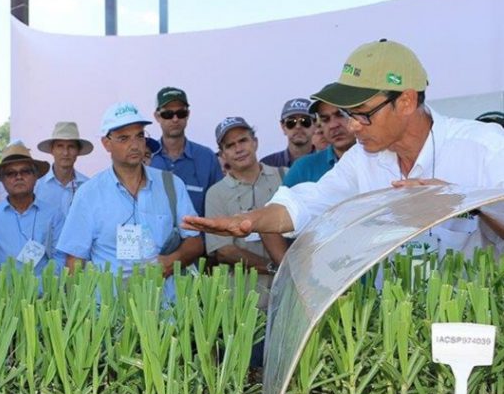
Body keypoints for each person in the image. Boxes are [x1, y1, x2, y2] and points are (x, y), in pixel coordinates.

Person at [185, 39, 504, 257]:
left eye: (363, 113)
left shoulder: (485, 149)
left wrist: (466, 202)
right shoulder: (363, 160)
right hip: (397, 327)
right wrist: (250, 221)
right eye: (349, 115)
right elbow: (310, 202)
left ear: (405, 100)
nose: (353, 126)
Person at [57, 102, 203, 302]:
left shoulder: (171, 185)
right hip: (110, 313)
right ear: (106, 143)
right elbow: (74, 261)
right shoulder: (89, 194)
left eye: (140, 136)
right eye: (124, 138)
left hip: (164, 309)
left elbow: (195, 242)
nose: (134, 145)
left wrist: (170, 262)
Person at [204, 117, 285, 309]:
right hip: (241, 304)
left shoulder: (284, 176)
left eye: (243, 140)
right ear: (223, 154)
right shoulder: (216, 194)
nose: (238, 149)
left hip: (286, 298)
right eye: (230, 145)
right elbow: (224, 251)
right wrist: (276, 268)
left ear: (255, 142)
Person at [0, 142, 65, 277]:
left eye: (25, 171)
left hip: (46, 294)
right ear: (2, 180)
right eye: (11, 173)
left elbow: (60, 257)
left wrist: (42, 288)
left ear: (36, 177)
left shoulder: (53, 214)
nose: (18, 177)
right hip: (2, 295)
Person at [148, 87, 222, 215]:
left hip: (198, 234)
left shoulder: (207, 158)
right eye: (168, 114)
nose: (175, 119)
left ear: (188, 115)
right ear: (157, 116)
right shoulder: (147, 157)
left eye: (181, 113)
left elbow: (220, 204)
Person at [284, 103, 355, 186]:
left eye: (341, 115)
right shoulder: (304, 169)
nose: (333, 125)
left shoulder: (373, 157)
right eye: (325, 119)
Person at [34, 122, 93, 219]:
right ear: (52, 150)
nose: (65, 153)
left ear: (78, 151)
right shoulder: (37, 186)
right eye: (60, 146)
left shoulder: (87, 187)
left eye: (71, 147)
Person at [261, 98, 316, 168]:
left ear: (315, 125)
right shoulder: (267, 165)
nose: (298, 126)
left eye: (305, 121)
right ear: (283, 127)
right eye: (291, 122)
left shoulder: (329, 162)